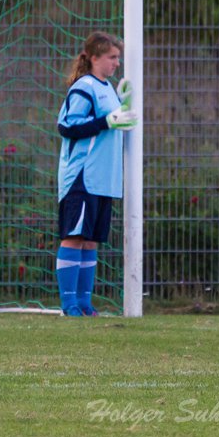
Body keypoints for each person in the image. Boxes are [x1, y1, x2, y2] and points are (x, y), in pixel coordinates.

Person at [55, 31, 139, 316]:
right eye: (112, 57)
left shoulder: (108, 88)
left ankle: (84, 302)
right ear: (94, 58)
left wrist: (123, 114)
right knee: (74, 237)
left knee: (91, 240)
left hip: (105, 179)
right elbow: (67, 127)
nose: (117, 63)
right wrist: (107, 121)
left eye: (118, 57)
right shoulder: (84, 88)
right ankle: (69, 304)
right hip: (83, 177)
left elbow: (109, 125)